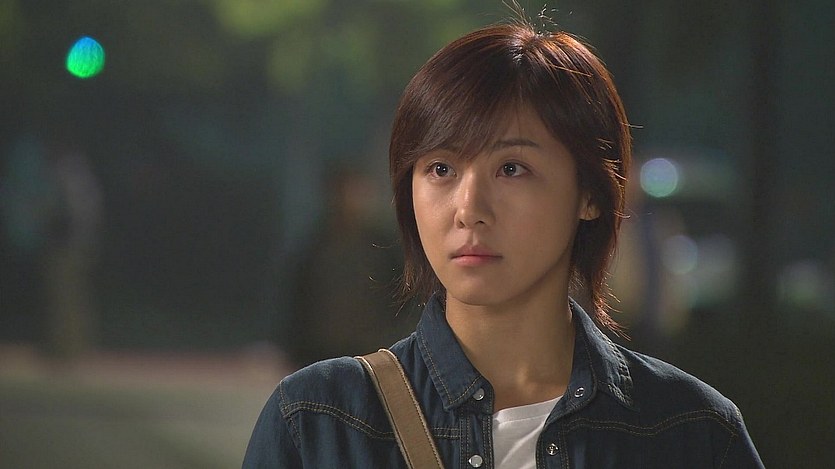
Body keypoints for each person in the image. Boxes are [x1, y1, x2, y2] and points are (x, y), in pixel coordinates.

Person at [244, 19, 764, 468]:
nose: (469, 208)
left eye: (512, 168)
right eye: (441, 169)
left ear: (590, 193)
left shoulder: (689, 432)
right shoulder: (319, 422)